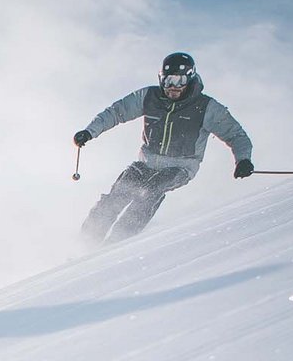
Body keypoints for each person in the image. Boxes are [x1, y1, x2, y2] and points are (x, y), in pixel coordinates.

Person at [74, 51, 256, 244]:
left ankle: (117, 243)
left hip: (181, 166)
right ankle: (85, 243)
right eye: (167, 80)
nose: (172, 87)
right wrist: (89, 131)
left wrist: (243, 160)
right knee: (119, 194)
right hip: (147, 162)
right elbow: (116, 112)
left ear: (190, 78)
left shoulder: (205, 107)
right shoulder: (149, 97)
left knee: (150, 191)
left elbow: (236, 134)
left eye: (179, 80)